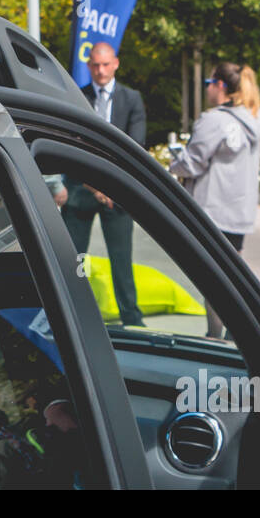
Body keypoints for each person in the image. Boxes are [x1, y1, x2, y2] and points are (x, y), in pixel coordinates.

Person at [168, 62, 260, 339]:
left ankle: (215, 335)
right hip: (239, 212)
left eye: (208, 83)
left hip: (211, 210)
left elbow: (193, 164)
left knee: (212, 277)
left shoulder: (214, 120)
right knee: (232, 274)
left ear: (220, 86)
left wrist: (174, 163)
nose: (207, 89)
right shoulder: (256, 117)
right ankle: (236, 332)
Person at [62, 42, 147, 327]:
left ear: (116, 64)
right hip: (80, 189)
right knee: (73, 260)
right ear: (89, 66)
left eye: (105, 64)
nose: (100, 70)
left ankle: (132, 320)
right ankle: (72, 315)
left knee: (121, 261)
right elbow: (70, 142)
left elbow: (134, 148)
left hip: (117, 193)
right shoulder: (76, 97)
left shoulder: (131, 99)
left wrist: (109, 186)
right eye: (95, 65)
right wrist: (92, 184)